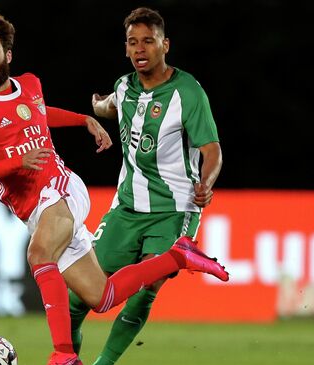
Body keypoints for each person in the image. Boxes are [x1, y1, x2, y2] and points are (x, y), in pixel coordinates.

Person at [0, 14, 228, 365]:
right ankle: (181, 255)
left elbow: (37, 112)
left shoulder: (30, 83)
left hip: (60, 188)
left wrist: (82, 120)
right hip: (35, 209)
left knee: (39, 256)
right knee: (102, 296)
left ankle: (64, 355)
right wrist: (23, 160)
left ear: (8, 55)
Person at [68, 7, 225, 365]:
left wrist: (207, 181)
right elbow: (111, 104)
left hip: (175, 210)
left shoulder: (187, 91)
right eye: (133, 42)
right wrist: (97, 105)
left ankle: (103, 363)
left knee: (146, 288)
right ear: (126, 48)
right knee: (79, 295)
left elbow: (211, 149)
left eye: (148, 42)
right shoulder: (124, 87)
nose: (140, 49)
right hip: (126, 208)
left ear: (164, 45)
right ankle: (65, 357)